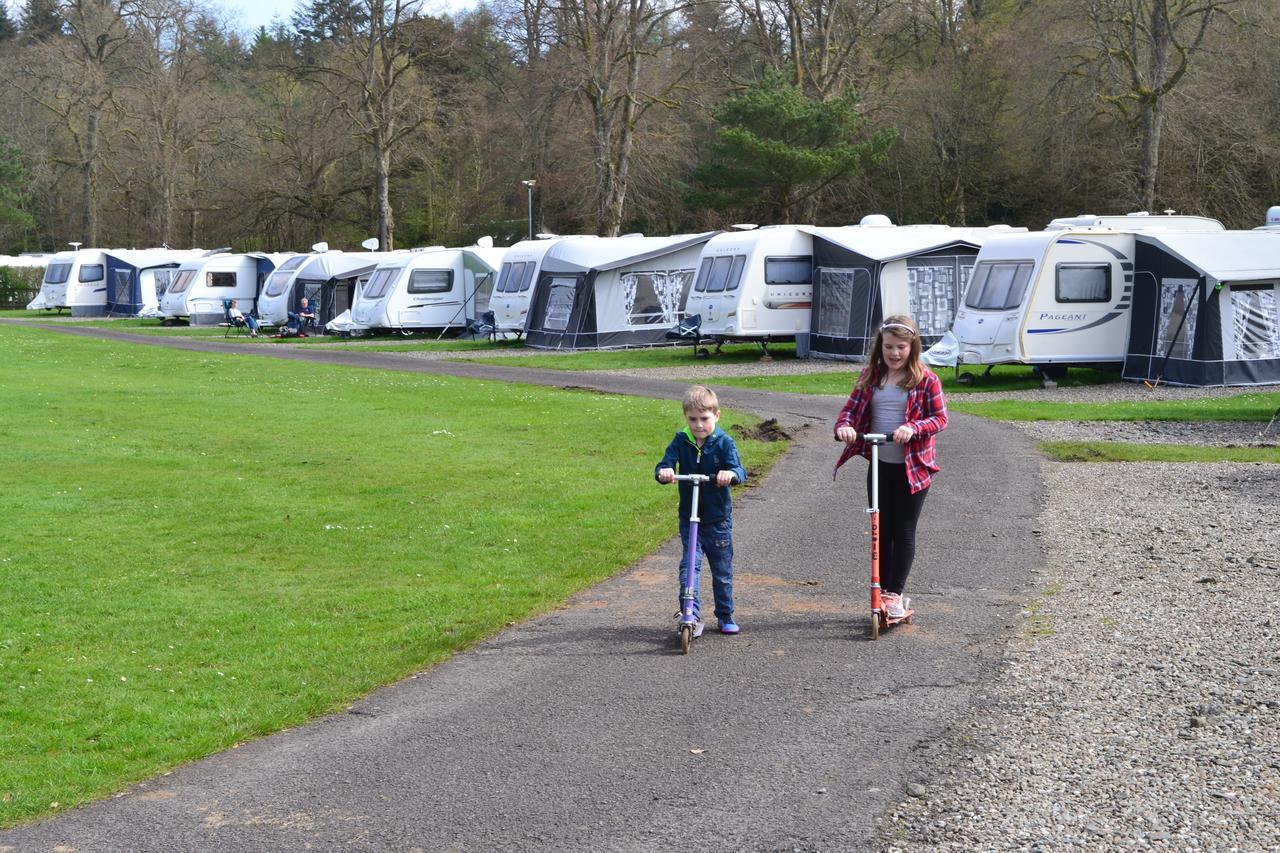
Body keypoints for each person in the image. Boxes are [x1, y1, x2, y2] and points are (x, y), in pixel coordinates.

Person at [834, 314, 948, 619]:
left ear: (912, 347)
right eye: (888, 347)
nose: (894, 353)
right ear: (879, 348)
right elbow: (849, 412)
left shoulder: (926, 379)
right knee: (879, 528)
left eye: (901, 347)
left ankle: (895, 593)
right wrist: (845, 427)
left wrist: (914, 427)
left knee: (903, 529)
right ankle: (881, 590)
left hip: (914, 467)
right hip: (880, 463)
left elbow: (940, 418)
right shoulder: (870, 376)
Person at [655, 385, 747, 636]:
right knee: (689, 568)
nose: (698, 425)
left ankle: (725, 614)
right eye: (693, 419)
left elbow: (740, 471)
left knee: (722, 571)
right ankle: (690, 613)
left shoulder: (724, 442)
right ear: (686, 417)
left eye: (704, 419)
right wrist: (665, 473)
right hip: (690, 519)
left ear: (716, 416)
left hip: (718, 520)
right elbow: (664, 464)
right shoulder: (681, 440)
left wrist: (730, 474)